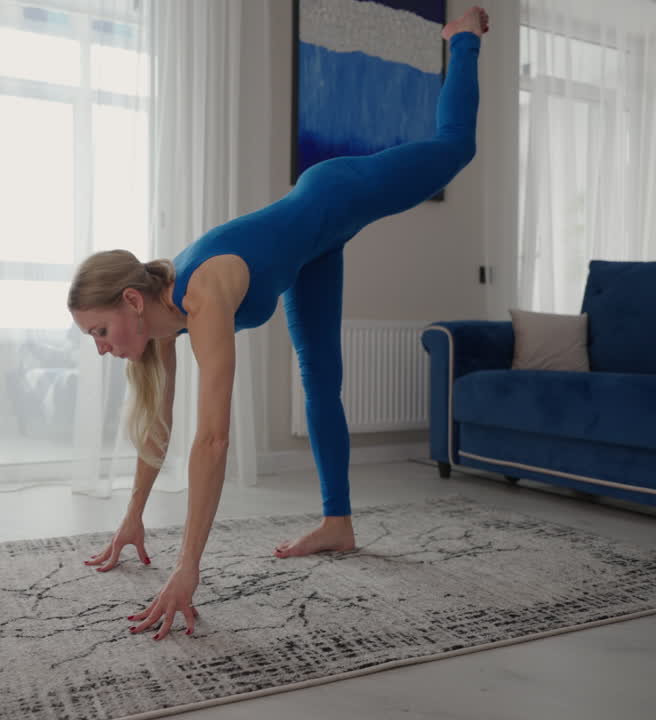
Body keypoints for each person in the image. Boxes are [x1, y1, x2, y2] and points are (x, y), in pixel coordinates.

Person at [67, 6, 490, 641]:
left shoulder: (201, 294)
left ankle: (461, 39)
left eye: (98, 332)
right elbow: (159, 422)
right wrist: (134, 517)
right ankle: (338, 524)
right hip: (310, 253)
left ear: (130, 301)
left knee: (457, 146)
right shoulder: (159, 321)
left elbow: (212, 440)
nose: (100, 349)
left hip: (333, 194)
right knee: (321, 378)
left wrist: (188, 569)